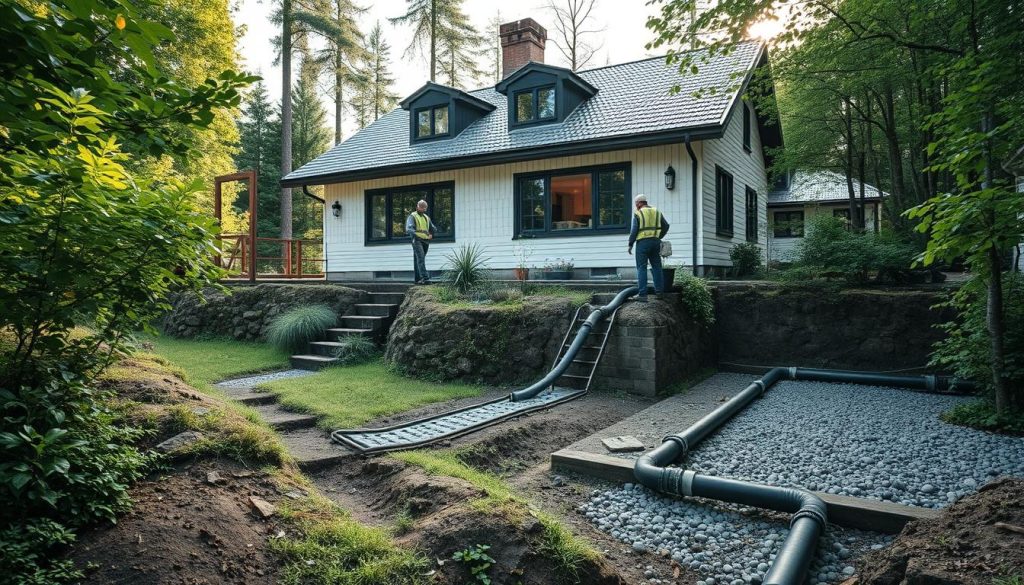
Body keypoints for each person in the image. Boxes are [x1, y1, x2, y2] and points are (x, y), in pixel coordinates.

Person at [627, 193, 670, 302]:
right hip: (655, 242)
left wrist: (630, 244)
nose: (636, 205)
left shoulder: (638, 213)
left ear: (640, 203)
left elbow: (634, 231)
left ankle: (642, 295)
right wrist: (658, 236)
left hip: (642, 243)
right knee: (657, 267)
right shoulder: (657, 212)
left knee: (641, 267)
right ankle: (659, 293)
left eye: (636, 203)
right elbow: (666, 226)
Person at [406, 200, 437, 284]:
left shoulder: (426, 218)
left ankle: (418, 279)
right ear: (417, 207)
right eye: (421, 207)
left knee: (419, 259)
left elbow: (433, 228)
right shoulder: (412, 216)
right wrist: (417, 234)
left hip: (426, 241)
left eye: (424, 208)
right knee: (420, 258)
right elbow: (409, 229)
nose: (423, 209)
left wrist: (431, 234)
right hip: (417, 240)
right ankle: (425, 278)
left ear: (425, 208)